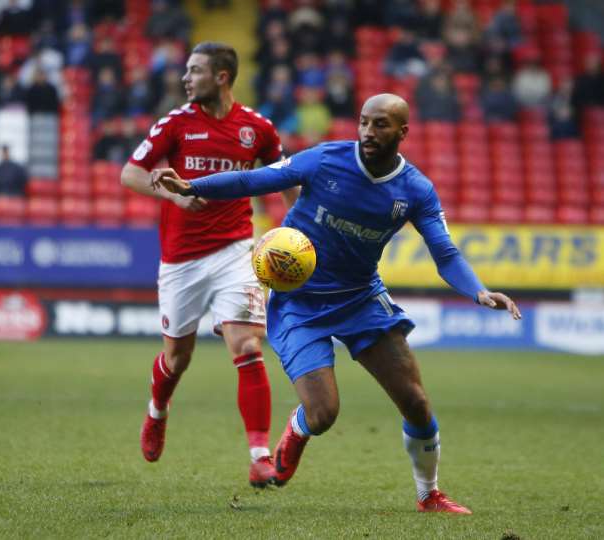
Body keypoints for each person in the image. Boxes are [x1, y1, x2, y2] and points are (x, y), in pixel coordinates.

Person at [153, 93, 522, 513]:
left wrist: (477, 291)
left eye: (380, 124)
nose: (368, 131)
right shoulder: (325, 160)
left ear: (402, 132)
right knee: (324, 413)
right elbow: (252, 181)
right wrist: (191, 185)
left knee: (416, 403)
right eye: (364, 122)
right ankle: (296, 432)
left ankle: (428, 494)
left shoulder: (415, 190)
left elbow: (446, 253)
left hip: (360, 298)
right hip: (299, 303)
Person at [121, 42, 297, 487]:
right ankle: (157, 412)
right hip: (181, 260)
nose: (185, 78)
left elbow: (287, 180)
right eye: (186, 70)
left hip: (236, 251)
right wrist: (172, 194)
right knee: (177, 358)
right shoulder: (176, 123)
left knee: (248, 346)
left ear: (221, 76)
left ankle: (260, 455)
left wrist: (297, 229)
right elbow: (131, 173)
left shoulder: (257, 129)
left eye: (194, 71)